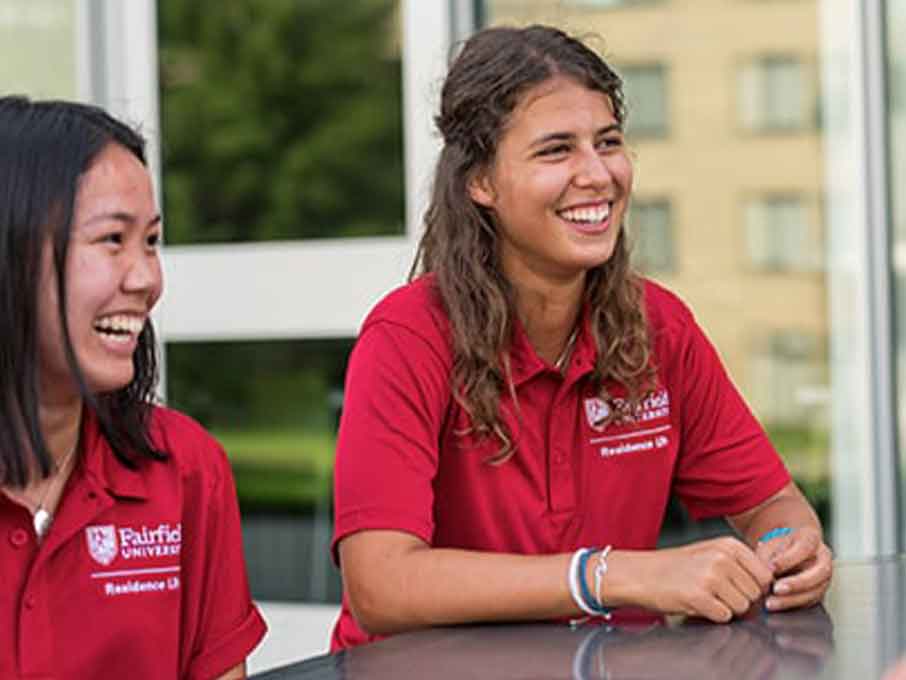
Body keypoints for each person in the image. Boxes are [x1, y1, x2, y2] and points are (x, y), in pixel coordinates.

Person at [330, 25, 833, 650]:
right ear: (480, 182)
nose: (597, 174)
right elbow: (381, 585)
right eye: (556, 150)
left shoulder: (659, 327)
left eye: (609, 142)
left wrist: (789, 551)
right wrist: (611, 575)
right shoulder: (407, 339)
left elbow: (774, 506)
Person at [0, 97, 266, 679]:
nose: (147, 279)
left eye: (151, 241)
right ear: (12, 253)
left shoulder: (187, 468)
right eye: (112, 240)